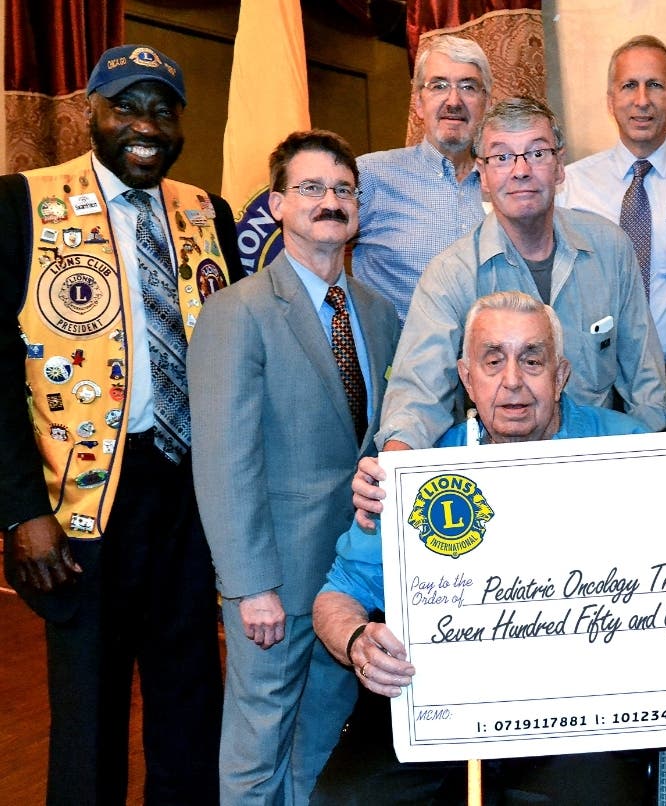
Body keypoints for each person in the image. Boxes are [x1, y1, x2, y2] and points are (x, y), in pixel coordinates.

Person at [0, 44, 238, 804]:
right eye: (127, 106)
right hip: (80, 500)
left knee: (190, 698)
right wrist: (19, 512)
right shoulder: (20, 201)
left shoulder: (209, 211)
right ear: (91, 114)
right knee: (88, 710)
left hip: (189, 494)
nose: (146, 124)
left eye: (163, 109)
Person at [311, 290, 651, 804]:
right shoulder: (421, 473)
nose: (512, 381)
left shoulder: (626, 450)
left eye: (532, 360)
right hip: (437, 702)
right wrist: (358, 639)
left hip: (578, 713)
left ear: (560, 376)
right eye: (493, 362)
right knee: (346, 799)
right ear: (467, 379)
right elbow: (336, 596)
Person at [188, 130, 400, 804]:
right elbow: (224, 461)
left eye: (343, 190)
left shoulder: (378, 313)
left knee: (320, 743)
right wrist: (249, 585)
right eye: (311, 188)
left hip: (348, 576)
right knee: (258, 749)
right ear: (277, 204)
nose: (329, 201)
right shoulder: (236, 312)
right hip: (272, 578)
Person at [376, 96, 666, 453]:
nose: (520, 170)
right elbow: (418, 393)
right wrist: (395, 465)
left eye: (537, 153)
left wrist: (652, 461)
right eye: (501, 157)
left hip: (597, 462)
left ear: (560, 166)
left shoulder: (610, 248)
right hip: (497, 464)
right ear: (481, 176)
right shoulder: (451, 275)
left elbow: (644, 378)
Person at [558, 35, 666, 430]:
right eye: (629, 85)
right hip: (594, 386)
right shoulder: (570, 186)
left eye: (655, 85)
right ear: (610, 99)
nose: (642, 100)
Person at [352, 35, 491, 324]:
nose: (454, 101)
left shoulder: (507, 182)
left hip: (492, 364)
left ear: (486, 103)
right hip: (400, 365)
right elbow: (314, 252)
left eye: (468, 87)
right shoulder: (370, 175)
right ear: (418, 103)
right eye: (439, 86)